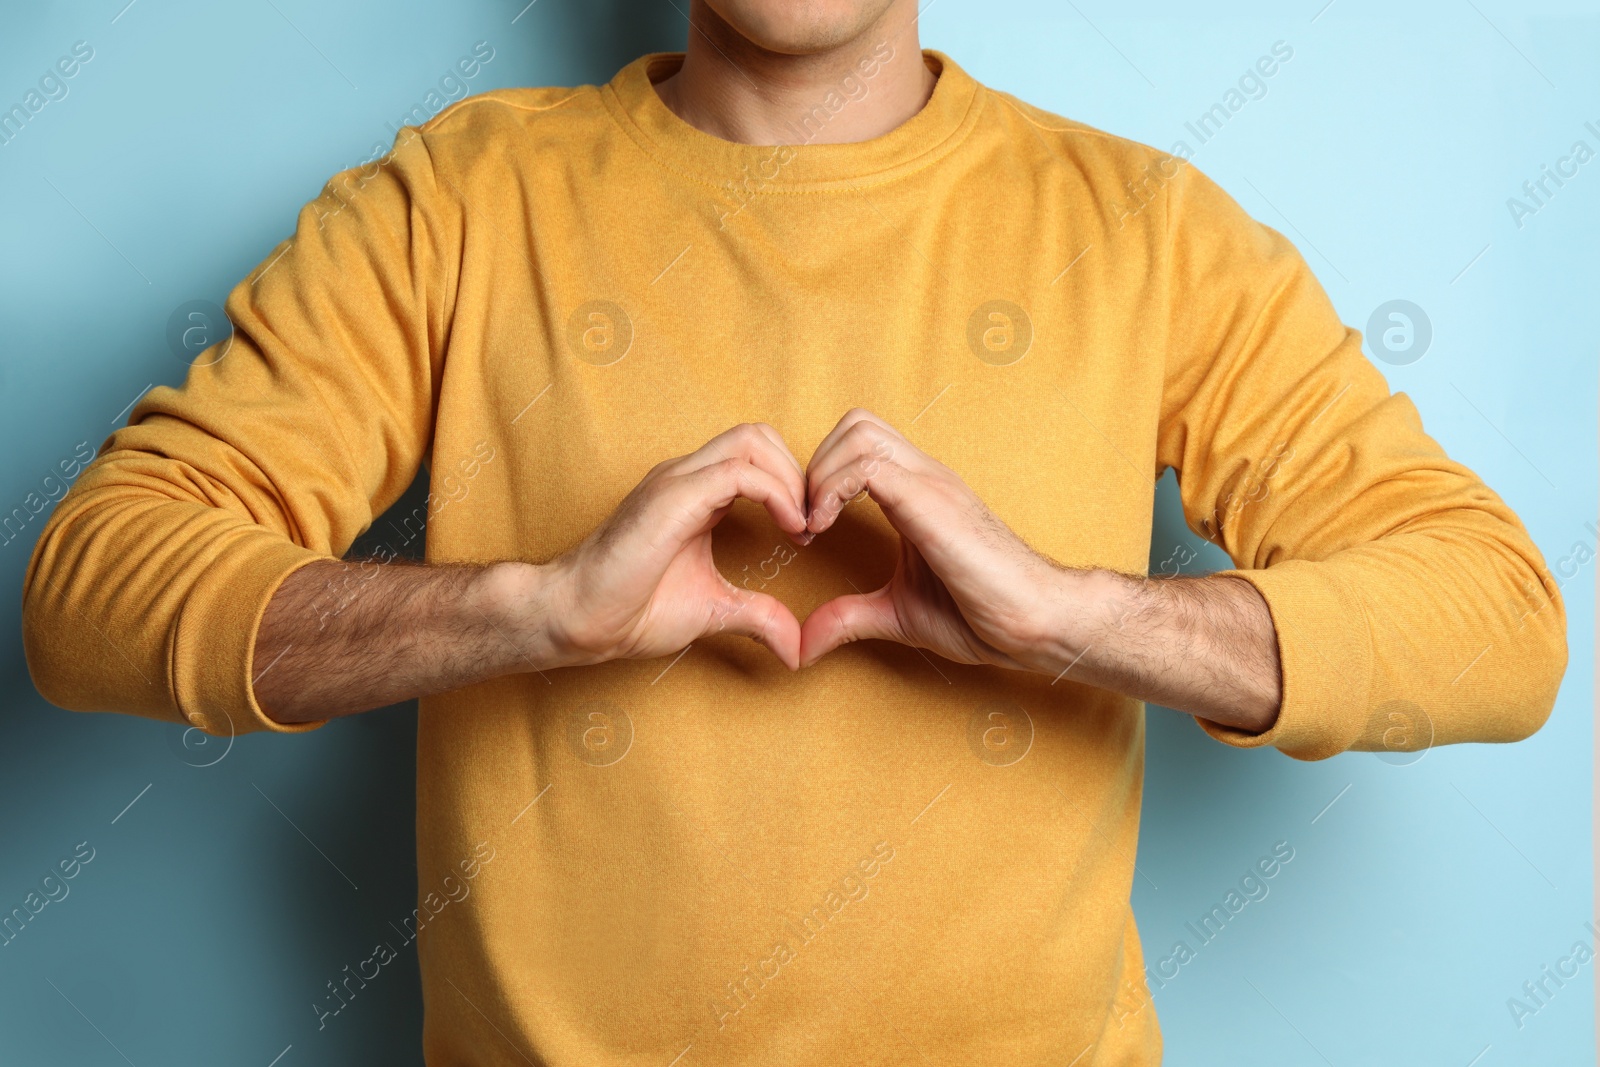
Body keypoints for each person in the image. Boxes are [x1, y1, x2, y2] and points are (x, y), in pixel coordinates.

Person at [21, 0, 1567, 1062]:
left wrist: (1073, 617)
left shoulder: (1146, 231)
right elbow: (90, 590)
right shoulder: (459, 203)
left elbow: (1498, 627)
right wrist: (534, 608)